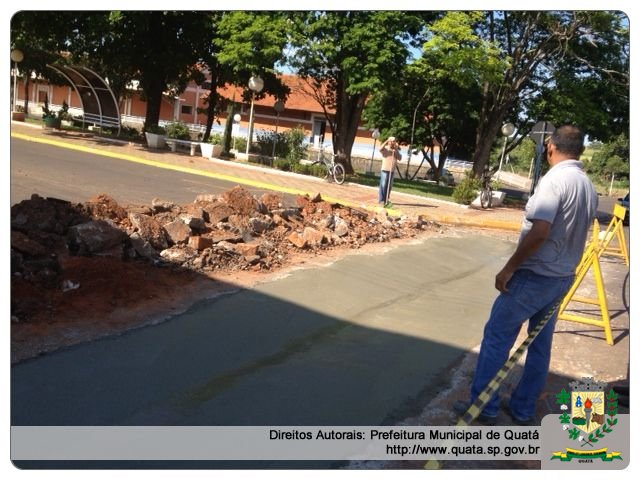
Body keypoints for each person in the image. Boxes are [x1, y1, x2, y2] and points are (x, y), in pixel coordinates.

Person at [454, 125, 598, 425]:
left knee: (497, 337)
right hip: (560, 277)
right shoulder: (586, 184)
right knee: (540, 344)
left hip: (535, 276)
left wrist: (509, 268)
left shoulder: (554, 181)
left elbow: (539, 233)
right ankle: (522, 408)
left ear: (550, 147)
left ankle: (484, 407)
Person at [378, 136, 402, 208]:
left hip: (392, 170)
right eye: (391, 141)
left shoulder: (395, 151)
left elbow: (400, 158)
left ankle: (386, 199)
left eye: (394, 141)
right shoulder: (386, 149)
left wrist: (396, 149)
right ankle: (381, 200)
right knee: (383, 185)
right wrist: (386, 140)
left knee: (389, 186)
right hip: (385, 170)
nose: (392, 142)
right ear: (388, 142)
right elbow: (380, 149)